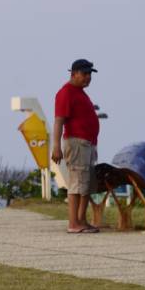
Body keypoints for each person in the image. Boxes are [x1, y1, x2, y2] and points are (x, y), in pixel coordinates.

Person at [50, 58, 101, 234]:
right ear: (73, 74)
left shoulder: (80, 93)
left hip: (87, 144)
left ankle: (81, 220)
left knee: (86, 184)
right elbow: (58, 121)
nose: (88, 77)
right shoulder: (66, 93)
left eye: (90, 74)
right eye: (84, 73)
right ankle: (73, 223)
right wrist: (56, 146)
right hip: (77, 143)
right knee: (77, 183)